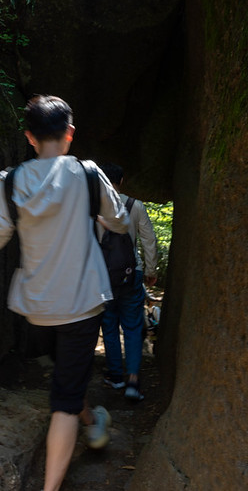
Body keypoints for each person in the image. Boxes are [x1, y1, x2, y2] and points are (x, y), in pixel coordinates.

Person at [0, 96, 130, 491]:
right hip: (81, 303)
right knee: (64, 396)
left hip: (35, 307)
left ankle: (91, 421)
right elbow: (118, 220)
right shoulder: (87, 174)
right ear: (70, 134)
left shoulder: (8, 180)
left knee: (67, 374)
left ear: (30, 137)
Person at [97, 163, 159, 401]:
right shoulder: (135, 206)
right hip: (131, 273)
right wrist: (150, 270)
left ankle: (115, 375)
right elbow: (149, 240)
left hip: (103, 277)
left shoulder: (93, 207)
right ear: (121, 181)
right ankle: (133, 381)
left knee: (109, 325)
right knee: (133, 328)